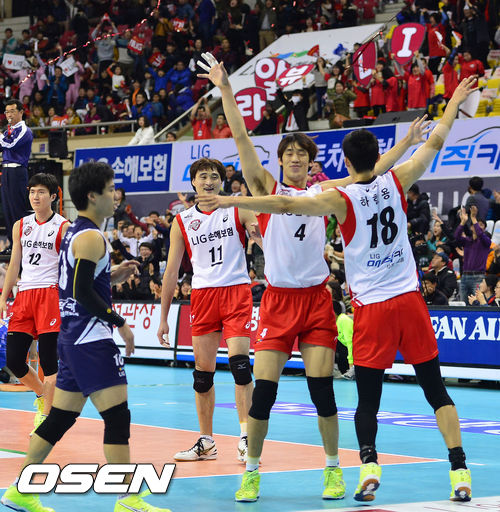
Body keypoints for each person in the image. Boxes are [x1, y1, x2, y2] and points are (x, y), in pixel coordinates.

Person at [198, 56, 476, 503]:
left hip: (316, 301)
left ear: (314, 163)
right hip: (279, 302)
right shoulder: (267, 187)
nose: (294, 158)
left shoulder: (327, 193)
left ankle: (334, 470)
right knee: (263, 394)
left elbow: (368, 174)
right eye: (288, 153)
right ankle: (252, 472)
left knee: (324, 394)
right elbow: (243, 139)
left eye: (301, 154)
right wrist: (226, 90)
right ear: (279, 160)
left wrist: (228, 200)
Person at [0, 162, 170, 512]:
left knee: (60, 418)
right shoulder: (91, 236)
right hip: (91, 339)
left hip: (73, 338)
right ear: (93, 196)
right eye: (109, 190)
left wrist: (113, 274)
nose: (114, 197)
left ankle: (19, 490)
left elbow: (81, 279)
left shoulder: (74, 232)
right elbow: (81, 291)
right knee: (118, 417)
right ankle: (128, 498)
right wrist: (119, 322)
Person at [157, 157, 257, 463]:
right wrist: (163, 318)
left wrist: (262, 238)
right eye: (203, 176)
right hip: (202, 296)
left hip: (236, 291)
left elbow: (260, 237)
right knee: (202, 376)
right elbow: (171, 272)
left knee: (240, 365)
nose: (209, 181)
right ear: (193, 182)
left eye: (214, 176)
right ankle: (206, 441)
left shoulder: (238, 208)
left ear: (222, 181)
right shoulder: (183, 221)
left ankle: (247, 437)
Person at [0, 173, 68, 435]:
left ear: (52, 196)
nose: (35, 196)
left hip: (50, 295)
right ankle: (42, 395)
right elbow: (14, 263)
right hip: (24, 296)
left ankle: (48, 418)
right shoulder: (21, 225)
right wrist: (4, 296)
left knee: (49, 362)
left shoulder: (63, 227)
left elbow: (69, 268)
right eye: (32, 191)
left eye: (41, 192)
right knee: (15, 360)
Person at [0, 99, 34, 251]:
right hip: (6, 170)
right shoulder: (8, 131)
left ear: (21, 112)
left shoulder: (25, 130)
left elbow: (11, 144)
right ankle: (13, 244)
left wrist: (0, 137)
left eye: (12, 111)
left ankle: (23, 244)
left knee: (16, 208)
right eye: (7, 112)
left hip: (17, 171)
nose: (9, 115)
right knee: (7, 209)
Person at [454, 205, 491, 302]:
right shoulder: (467, 241)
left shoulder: (486, 241)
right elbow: (456, 236)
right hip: (464, 276)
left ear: (484, 228)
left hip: (478, 277)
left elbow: (480, 234)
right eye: (476, 224)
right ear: (471, 227)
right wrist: (463, 221)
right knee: (462, 304)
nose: (478, 226)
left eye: (481, 225)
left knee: (477, 303)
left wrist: (473, 218)